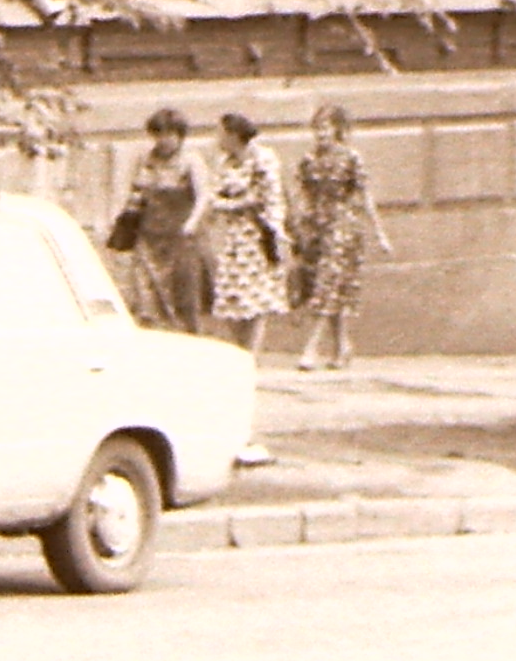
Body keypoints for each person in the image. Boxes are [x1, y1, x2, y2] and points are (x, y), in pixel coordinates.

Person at [199, 111, 288, 465]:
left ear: (235, 134)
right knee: (233, 337)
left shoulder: (263, 158)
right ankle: (234, 428)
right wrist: (230, 204)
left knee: (250, 340)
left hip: (256, 247)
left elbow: (266, 202)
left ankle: (246, 430)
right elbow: (218, 200)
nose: (216, 138)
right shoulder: (225, 162)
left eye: (221, 132)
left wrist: (232, 204)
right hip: (234, 247)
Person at [289, 102, 396, 372]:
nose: (320, 134)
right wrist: (298, 225)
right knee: (330, 288)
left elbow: (364, 197)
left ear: (337, 129)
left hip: (344, 228)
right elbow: (301, 195)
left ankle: (310, 349)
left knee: (328, 284)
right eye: (316, 128)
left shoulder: (350, 158)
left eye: (325, 128)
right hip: (317, 228)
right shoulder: (308, 159)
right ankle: (341, 347)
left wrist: (380, 234)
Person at [115, 110, 204, 331]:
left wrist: (192, 223)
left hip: (180, 238)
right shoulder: (145, 159)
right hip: (148, 236)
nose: (163, 140)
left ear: (180, 135)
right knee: (146, 293)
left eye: (169, 134)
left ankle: (188, 339)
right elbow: (135, 192)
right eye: (158, 134)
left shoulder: (191, 161)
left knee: (182, 294)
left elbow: (204, 196)